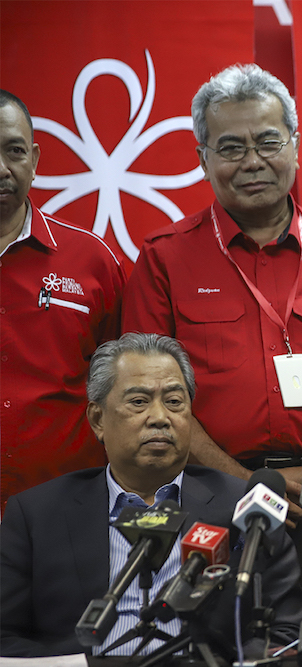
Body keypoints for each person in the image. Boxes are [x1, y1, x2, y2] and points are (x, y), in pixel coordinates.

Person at [122, 64, 302, 507]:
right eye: (232, 148)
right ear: (204, 160)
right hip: (208, 490)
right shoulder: (165, 258)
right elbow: (147, 391)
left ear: (295, 149)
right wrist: (240, 482)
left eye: (268, 142)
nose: (253, 161)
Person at [0, 333, 302, 656]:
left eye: (174, 401)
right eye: (139, 402)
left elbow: (289, 631)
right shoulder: (36, 515)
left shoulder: (245, 507)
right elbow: (4, 637)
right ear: (98, 419)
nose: (160, 417)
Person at [0, 89, 126, 512]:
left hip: (66, 508)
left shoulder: (91, 260)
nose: (2, 168)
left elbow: (122, 384)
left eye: (14, 150)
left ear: (34, 160)